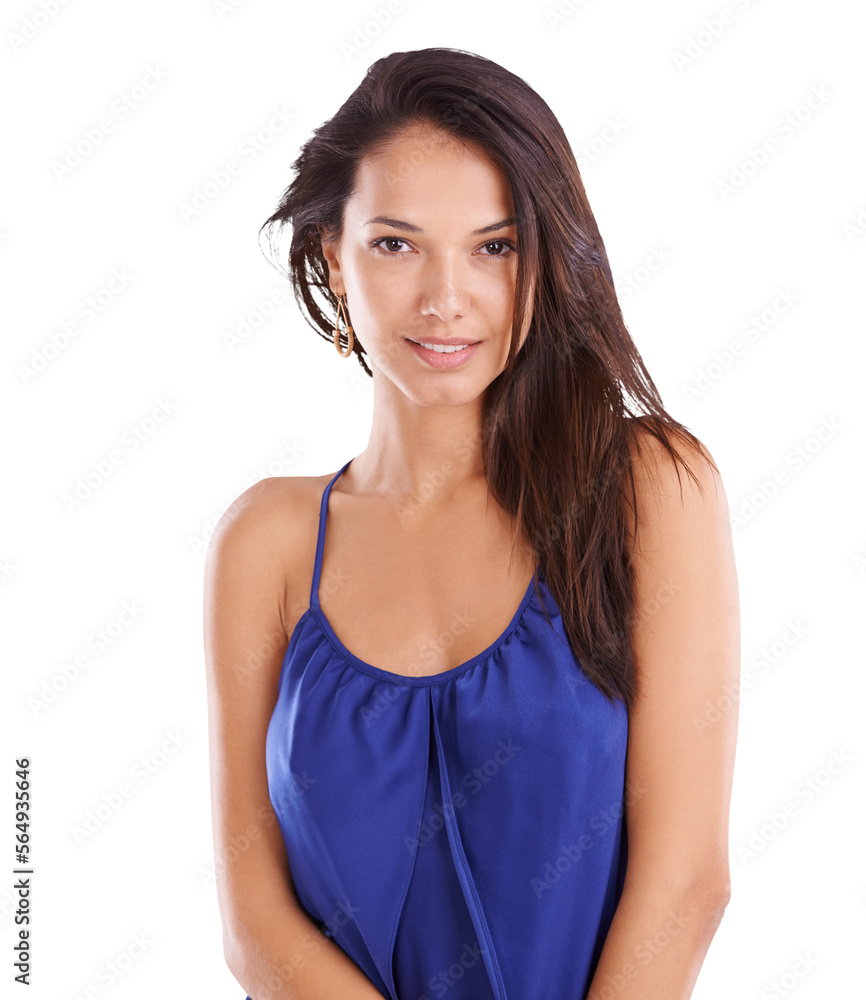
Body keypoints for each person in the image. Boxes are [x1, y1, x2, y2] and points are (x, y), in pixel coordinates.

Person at [204, 47, 740, 1000]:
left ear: (546, 256)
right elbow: (252, 919)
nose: (446, 298)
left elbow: (687, 885)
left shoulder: (648, 487)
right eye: (396, 244)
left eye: (495, 247)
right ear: (334, 255)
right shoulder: (267, 543)